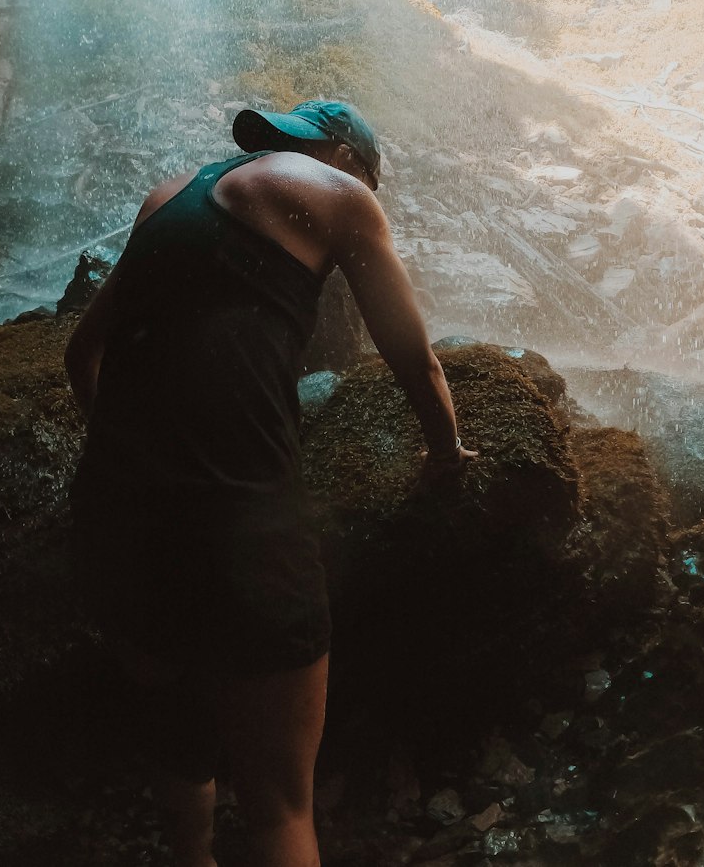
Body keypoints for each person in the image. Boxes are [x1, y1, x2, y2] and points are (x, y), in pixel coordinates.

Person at [65, 99, 475, 867]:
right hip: (240, 530)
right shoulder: (339, 195)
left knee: (179, 732)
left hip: (117, 527)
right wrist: (447, 451)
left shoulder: (168, 193)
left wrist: (135, 468)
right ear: (348, 160)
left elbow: (80, 356)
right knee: (280, 807)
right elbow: (416, 359)